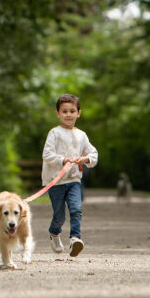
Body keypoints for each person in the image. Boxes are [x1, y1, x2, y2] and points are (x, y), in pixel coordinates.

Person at [41, 93, 98, 257]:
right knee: (59, 215)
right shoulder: (54, 133)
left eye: (72, 111)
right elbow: (47, 154)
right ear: (57, 113)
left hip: (74, 180)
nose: (68, 114)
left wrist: (86, 159)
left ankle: (75, 238)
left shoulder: (82, 135)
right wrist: (63, 159)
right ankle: (54, 232)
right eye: (64, 111)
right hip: (55, 181)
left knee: (76, 208)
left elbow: (93, 154)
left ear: (78, 113)